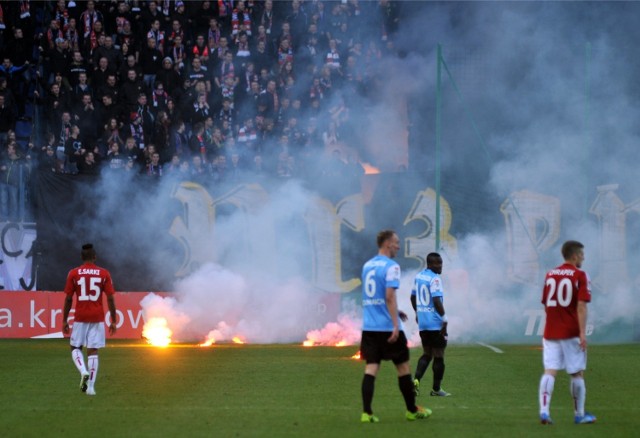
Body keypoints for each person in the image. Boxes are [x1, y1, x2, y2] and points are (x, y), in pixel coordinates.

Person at [359, 229, 431, 423]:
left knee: (371, 368)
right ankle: (411, 410)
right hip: (387, 328)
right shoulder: (392, 267)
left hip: (369, 328)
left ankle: (367, 413)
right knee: (403, 368)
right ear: (388, 243)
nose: (398, 246)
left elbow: (373, 296)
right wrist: (395, 325)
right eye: (397, 242)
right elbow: (389, 296)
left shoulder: (367, 266)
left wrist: (395, 311)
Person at [538, 240, 596, 425]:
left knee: (550, 371)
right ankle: (579, 415)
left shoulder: (550, 274)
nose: (583, 257)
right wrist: (582, 333)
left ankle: (544, 411)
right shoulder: (580, 275)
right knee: (577, 373)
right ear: (574, 255)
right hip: (571, 332)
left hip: (551, 330)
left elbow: (547, 304)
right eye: (581, 254)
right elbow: (581, 306)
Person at [62, 243, 117, 396]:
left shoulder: (73, 273)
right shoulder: (104, 273)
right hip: (97, 316)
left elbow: (68, 299)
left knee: (75, 348)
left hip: (80, 316)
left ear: (81, 257)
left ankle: (83, 371)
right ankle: (91, 388)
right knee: (93, 351)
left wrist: (64, 320)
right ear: (95, 257)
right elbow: (110, 298)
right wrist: (113, 319)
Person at [410, 252, 451, 398]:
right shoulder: (435, 279)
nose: (440, 267)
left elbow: (413, 297)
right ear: (430, 264)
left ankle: (416, 381)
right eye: (437, 264)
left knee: (427, 354)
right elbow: (436, 301)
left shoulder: (419, 276)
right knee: (439, 355)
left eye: (441, 263)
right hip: (435, 322)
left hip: (423, 322)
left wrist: (417, 312)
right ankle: (436, 389)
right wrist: (444, 319)